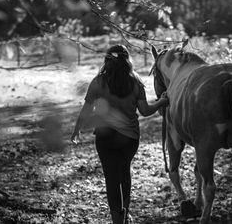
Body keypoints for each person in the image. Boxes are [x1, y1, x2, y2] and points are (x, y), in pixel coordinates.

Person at [71, 44, 168, 224]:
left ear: (107, 60)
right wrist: (161, 101)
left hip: (105, 138)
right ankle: (125, 213)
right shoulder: (135, 80)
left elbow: (86, 109)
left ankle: (117, 219)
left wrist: (77, 130)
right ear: (127, 60)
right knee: (124, 172)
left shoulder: (98, 81)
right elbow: (145, 111)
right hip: (129, 139)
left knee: (111, 179)